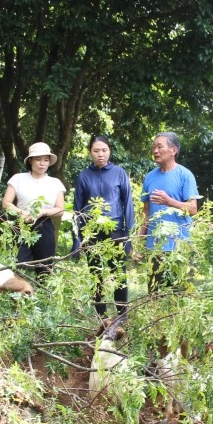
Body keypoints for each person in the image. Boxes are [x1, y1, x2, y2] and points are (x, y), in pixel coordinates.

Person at [74, 135, 134, 316]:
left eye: (104, 150)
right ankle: (102, 317)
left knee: (118, 274)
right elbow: (78, 209)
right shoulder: (84, 176)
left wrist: (129, 236)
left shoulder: (119, 173)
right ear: (90, 153)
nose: (100, 154)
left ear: (110, 151)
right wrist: (77, 239)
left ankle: (122, 315)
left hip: (115, 230)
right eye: (96, 151)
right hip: (91, 233)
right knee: (96, 274)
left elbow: (128, 205)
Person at [137, 132, 200, 292]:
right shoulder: (150, 177)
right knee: (154, 295)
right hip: (155, 247)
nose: (155, 151)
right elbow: (145, 212)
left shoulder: (185, 175)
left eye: (160, 147)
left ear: (173, 150)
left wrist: (169, 201)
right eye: (153, 147)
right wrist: (137, 242)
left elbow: (193, 208)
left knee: (179, 296)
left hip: (179, 246)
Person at [2, 142, 66, 279]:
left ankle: (44, 298)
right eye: (38, 159)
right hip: (21, 225)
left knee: (45, 268)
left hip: (45, 225)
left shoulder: (55, 183)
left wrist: (43, 212)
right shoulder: (18, 179)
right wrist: (21, 213)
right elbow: (6, 203)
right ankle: (19, 297)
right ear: (30, 160)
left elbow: (60, 209)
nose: (42, 163)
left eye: (46, 160)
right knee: (18, 267)